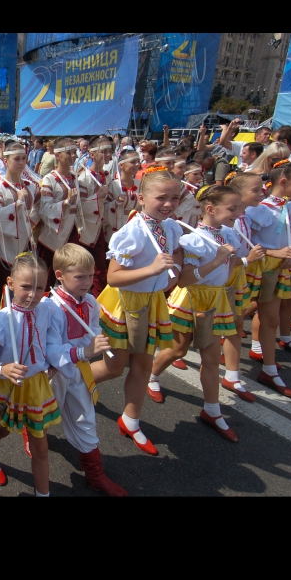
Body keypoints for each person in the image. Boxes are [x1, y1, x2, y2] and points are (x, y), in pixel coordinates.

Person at [149, 186, 254, 443]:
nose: (238, 213)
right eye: (233, 208)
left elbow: (232, 264)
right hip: (192, 297)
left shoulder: (230, 233)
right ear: (210, 209)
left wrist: (246, 260)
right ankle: (151, 376)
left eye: (239, 208)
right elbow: (184, 280)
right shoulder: (193, 239)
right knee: (178, 349)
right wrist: (218, 260)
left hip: (216, 299)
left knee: (211, 356)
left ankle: (212, 410)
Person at [93, 167, 183, 455]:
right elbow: (113, 277)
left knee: (144, 364)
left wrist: (176, 272)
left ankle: (131, 420)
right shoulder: (131, 232)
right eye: (162, 197)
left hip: (152, 301)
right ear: (141, 198)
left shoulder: (172, 227)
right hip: (125, 302)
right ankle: (67, 383)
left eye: (175, 197)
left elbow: (176, 259)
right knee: (115, 366)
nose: (169, 204)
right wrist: (153, 269)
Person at [0, 253, 78, 496]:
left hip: (35, 387)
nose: (33, 294)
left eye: (39, 288)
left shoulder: (47, 310)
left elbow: (53, 339)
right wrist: (3, 369)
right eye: (25, 287)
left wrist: (52, 361)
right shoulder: (0, 321)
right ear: (10, 284)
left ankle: (43, 493)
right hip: (4, 385)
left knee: (41, 447)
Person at [49, 244, 127, 496]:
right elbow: (50, 349)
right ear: (60, 276)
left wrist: (96, 342)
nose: (87, 282)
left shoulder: (91, 301)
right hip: (52, 374)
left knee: (85, 417)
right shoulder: (51, 307)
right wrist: (85, 351)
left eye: (91, 276)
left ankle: (95, 475)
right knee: (38, 414)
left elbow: (92, 330)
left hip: (78, 370)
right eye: (79, 277)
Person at [245, 162, 291, 397]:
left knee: (271, 319)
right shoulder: (260, 209)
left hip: (278, 268)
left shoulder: (290, 208)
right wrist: (275, 253)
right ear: (283, 182)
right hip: (257, 267)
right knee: (235, 314)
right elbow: (243, 241)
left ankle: (269, 370)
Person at [220, 172, 268, 401]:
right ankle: (156, 371)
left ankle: (232, 374)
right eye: (256, 190)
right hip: (227, 276)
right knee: (220, 325)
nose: (262, 193)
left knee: (235, 326)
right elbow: (226, 258)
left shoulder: (245, 217)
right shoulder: (232, 222)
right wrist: (249, 259)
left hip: (237, 275)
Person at [0, 143, 39, 314]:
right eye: (16, 159)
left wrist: (31, 222)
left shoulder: (31, 186)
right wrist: (18, 204)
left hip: (25, 245)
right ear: (5, 161)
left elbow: (40, 208)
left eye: (24, 158)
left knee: (24, 285)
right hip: (3, 249)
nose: (21, 162)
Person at [35, 139, 82, 290]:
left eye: (74, 152)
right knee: (46, 277)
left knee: (72, 272)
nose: (73, 156)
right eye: (68, 153)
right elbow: (44, 209)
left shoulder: (74, 177)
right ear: (57, 155)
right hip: (52, 235)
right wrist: (66, 202)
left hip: (71, 231)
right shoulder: (49, 179)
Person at [76, 137, 114, 297]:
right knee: (85, 267)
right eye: (102, 151)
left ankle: (99, 303)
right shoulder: (84, 178)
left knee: (100, 269)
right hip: (86, 230)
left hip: (102, 228)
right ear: (91, 154)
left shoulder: (107, 175)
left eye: (108, 151)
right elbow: (81, 207)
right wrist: (97, 197)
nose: (106, 155)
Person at [105, 148, 141, 242]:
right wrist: (115, 203)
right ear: (121, 165)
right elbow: (104, 207)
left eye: (138, 161)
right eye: (133, 162)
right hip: (116, 230)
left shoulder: (140, 185)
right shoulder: (113, 185)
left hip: (134, 229)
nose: (137, 164)